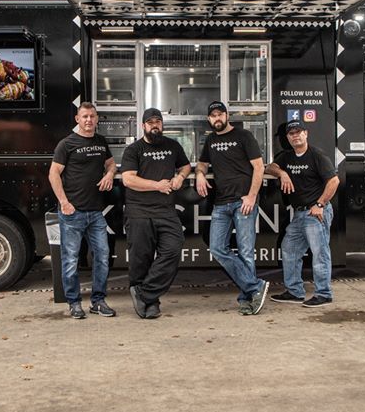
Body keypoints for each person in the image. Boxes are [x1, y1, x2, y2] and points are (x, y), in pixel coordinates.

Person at [195, 101, 269, 315]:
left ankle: (247, 299)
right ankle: (255, 287)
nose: (217, 118)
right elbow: (202, 164)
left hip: (243, 202)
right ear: (209, 119)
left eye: (220, 114)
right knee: (217, 248)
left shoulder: (243, 136)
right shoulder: (210, 140)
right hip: (221, 203)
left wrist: (251, 197)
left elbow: (259, 167)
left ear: (227, 116)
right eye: (213, 116)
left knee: (246, 252)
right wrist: (200, 174)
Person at [121, 108, 192, 319]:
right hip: (139, 212)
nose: (155, 125)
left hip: (165, 211)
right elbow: (128, 179)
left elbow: (186, 166)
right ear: (143, 125)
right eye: (150, 122)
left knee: (173, 248)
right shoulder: (134, 149)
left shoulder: (172, 146)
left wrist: (180, 177)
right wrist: (156, 186)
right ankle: (151, 303)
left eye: (158, 122)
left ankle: (144, 293)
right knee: (140, 258)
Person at [48, 102, 117, 319]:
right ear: (77, 119)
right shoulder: (66, 144)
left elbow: (111, 164)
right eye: (85, 116)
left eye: (92, 116)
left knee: (103, 256)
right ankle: (74, 302)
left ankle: (98, 301)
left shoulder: (100, 141)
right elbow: (53, 174)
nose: (89, 120)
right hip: (72, 213)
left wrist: (109, 175)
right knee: (70, 260)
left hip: (96, 212)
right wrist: (64, 203)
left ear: (97, 119)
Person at [265, 120, 340, 307]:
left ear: (306, 134)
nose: (295, 136)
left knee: (320, 253)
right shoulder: (287, 157)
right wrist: (282, 173)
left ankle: (324, 293)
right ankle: (294, 291)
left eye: (298, 132)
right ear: (288, 138)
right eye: (291, 134)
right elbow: (269, 167)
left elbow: (334, 181)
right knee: (289, 249)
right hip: (299, 215)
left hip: (315, 213)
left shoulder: (317, 156)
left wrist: (320, 204)